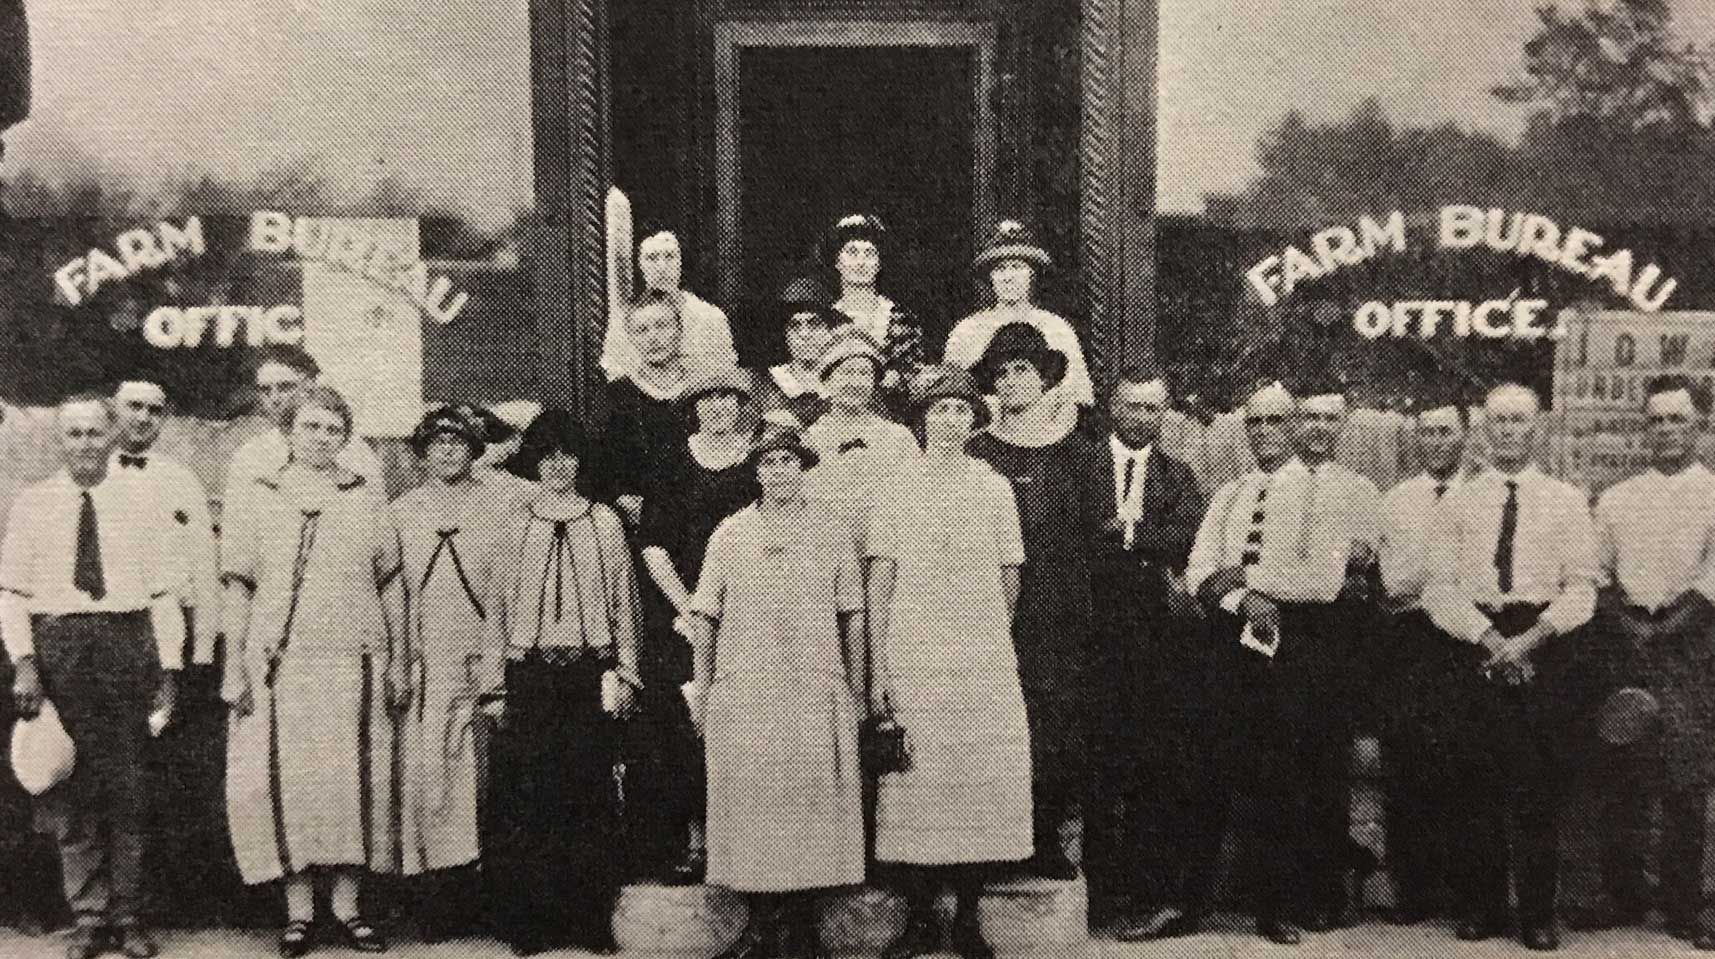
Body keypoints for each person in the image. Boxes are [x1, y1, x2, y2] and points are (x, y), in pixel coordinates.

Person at [219, 384, 407, 957]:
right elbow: (239, 585)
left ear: (346, 439)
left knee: (353, 783)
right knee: (286, 784)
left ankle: (348, 909)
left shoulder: (367, 496)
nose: (322, 438)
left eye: (333, 430)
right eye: (311, 427)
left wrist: (398, 657)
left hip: (355, 659)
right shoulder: (260, 494)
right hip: (280, 663)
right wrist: (235, 665)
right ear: (289, 432)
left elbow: (390, 583)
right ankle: (299, 913)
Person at [2, 394, 186, 959]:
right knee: (71, 791)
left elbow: (163, 594)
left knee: (128, 789)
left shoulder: (141, 502)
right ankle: (87, 917)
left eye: (93, 433)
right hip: (60, 649)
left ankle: (128, 916)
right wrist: (25, 663)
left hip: (125, 646)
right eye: (73, 434)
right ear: (60, 440)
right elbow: (11, 592)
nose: (84, 443)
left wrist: (170, 671)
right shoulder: (34, 504)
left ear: (112, 436)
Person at [1182, 381, 1365, 946]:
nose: (1265, 433)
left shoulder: (1323, 493)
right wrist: (1241, 597)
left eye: (1275, 422)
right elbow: (1198, 570)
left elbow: (1322, 580)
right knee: (1209, 763)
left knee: (1282, 774)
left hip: (1296, 649)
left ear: (1295, 426)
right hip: (1231, 640)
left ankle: (1276, 905)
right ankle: (1189, 902)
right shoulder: (1229, 493)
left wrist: (1246, 578)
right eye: (1255, 423)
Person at [1423, 382, 1597, 952]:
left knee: (1537, 787)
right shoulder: (1458, 502)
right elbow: (1439, 589)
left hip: (1544, 644)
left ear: (1538, 426)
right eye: (1497, 421)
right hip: (1476, 639)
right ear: (1483, 429)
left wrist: (1529, 641)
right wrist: (1491, 639)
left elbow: (1582, 591)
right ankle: (1484, 908)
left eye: (1518, 420)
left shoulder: (1566, 501)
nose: (1507, 431)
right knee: (1474, 780)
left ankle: (1538, 915)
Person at [866, 365, 1031, 959]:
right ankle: (917, 919)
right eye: (939, 411)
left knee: (973, 783)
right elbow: (879, 578)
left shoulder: (993, 486)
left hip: (979, 655)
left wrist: (986, 639)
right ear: (923, 419)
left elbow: (1010, 576)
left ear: (973, 420)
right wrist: (880, 666)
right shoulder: (895, 486)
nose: (951, 421)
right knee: (917, 783)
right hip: (913, 650)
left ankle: (966, 918)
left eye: (961, 411)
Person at [686, 416, 866, 959]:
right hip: (747, 690)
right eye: (769, 462)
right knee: (753, 801)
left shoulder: (830, 529)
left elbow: (852, 615)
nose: (780, 471)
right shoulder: (732, 532)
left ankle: (804, 928)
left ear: (805, 468)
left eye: (790, 461)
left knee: (810, 801)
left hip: (814, 687)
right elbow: (705, 616)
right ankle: (761, 926)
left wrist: (856, 689)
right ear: (757, 471)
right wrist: (706, 687)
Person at [487, 409, 641, 956]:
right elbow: (498, 607)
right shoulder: (516, 520)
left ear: (580, 461)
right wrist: (496, 684)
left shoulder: (603, 521)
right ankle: (532, 922)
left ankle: (587, 919)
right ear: (535, 461)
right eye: (547, 456)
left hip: (586, 670)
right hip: (530, 674)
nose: (557, 466)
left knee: (588, 792)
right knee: (531, 796)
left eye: (567, 455)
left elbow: (625, 601)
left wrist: (625, 670)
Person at [1577, 375, 1715, 949]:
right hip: (1626, 644)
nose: (1666, 430)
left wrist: (1667, 628)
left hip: (1692, 647)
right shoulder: (1616, 499)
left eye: (1677, 420)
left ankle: (1684, 904)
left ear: (1700, 426)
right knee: (1622, 774)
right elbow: (1596, 574)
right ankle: (1622, 894)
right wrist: (1630, 626)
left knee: (1685, 778)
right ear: (1645, 428)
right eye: (1656, 420)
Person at [966, 322, 1101, 881]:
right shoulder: (978, 450)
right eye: (1001, 373)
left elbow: (1094, 533)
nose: (1013, 381)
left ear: (1045, 378)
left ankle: (1044, 836)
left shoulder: (1078, 452)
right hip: (990, 601)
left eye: (1023, 369)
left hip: (1059, 603)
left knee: (1054, 721)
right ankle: (995, 841)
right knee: (993, 716)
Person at [1081, 375, 1209, 941]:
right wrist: (1128, 538)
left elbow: (1187, 536)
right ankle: (1103, 893)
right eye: (1133, 405)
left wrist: (1128, 531)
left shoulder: (1177, 475)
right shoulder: (1081, 468)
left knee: (1150, 764)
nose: (1143, 416)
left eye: (1154, 408)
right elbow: (1076, 535)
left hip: (1156, 646)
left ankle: (1148, 891)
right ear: (1113, 407)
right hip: (1090, 635)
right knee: (1099, 766)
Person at [631, 370, 760, 884]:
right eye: (708, 401)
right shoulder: (673, 462)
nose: (718, 409)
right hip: (688, 620)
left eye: (728, 400)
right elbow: (654, 545)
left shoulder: (761, 459)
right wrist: (689, 608)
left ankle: (751, 841)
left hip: (755, 616)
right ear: (695, 409)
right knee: (689, 730)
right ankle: (698, 841)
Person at [393, 406, 514, 940]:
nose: (447, 451)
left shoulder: (504, 503)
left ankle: (488, 897)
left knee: (487, 780)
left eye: (458, 443)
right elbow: (393, 595)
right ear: (422, 453)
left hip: (486, 657)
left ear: (473, 450)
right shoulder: (401, 512)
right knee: (433, 780)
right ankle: (437, 901)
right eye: (437, 443)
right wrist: (403, 657)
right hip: (427, 663)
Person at [1283, 380, 1385, 929]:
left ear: (1341, 427)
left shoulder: (1361, 490)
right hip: (1280, 634)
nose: (1318, 428)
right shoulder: (1270, 484)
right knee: (1283, 763)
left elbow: (1362, 567)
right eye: (1309, 418)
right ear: (1294, 423)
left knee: (1326, 766)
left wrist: (1348, 567)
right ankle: (1281, 892)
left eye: (1329, 419)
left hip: (1334, 641)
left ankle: (1325, 891)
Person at [1375, 399, 1478, 927]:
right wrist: (1438, 577)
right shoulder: (1396, 501)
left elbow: (1479, 581)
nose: (1436, 442)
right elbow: (1394, 586)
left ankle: (1465, 896)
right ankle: (1412, 891)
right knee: (1409, 761)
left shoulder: (1481, 495)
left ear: (1464, 437)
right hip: (1412, 642)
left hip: (1468, 640)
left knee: (1464, 763)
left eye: (1446, 432)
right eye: (1427, 433)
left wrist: (1436, 580)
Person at [943, 220, 1094, 427]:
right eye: (1000, 269)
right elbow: (949, 400)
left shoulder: (1056, 329)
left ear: (1032, 274)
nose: (1008, 277)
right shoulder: (967, 331)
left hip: (1046, 437)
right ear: (990, 277)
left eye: (1017, 267)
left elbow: (1078, 398)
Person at [110, 380, 218, 669]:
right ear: (112, 409)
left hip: (168, 629)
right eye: (134, 406)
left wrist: (204, 649)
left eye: (154, 410)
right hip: (104, 626)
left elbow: (204, 566)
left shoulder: (182, 480)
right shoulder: (89, 475)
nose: (144, 417)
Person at [223, 347, 384, 530]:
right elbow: (236, 533)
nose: (274, 398)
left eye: (285, 387)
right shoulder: (250, 455)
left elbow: (378, 528)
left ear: (312, 386)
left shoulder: (355, 451)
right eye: (265, 390)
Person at [600, 291, 713, 526]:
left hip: (700, 515)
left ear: (679, 330)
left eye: (662, 326)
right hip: (642, 521)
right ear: (631, 338)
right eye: (642, 330)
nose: (653, 337)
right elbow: (602, 464)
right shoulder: (618, 395)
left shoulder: (704, 389)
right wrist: (620, 498)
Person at [803, 328, 919, 553]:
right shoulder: (809, 441)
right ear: (827, 381)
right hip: (827, 557)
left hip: (886, 556)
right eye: (847, 372)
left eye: (864, 373)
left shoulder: (899, 438)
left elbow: (916, 504)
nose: (855, 382)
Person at [821, 214, 925, 414]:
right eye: (852, 252)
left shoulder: (902, 319)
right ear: (837, 262)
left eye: (869, 254)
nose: (861, 262)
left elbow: (916, 381)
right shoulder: (823, 321)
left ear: (879, 263)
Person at [601, 229, 738, 381]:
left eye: (670, 256)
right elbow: (616, 376)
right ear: (640, 265)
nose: (661, 267)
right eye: (652, 258)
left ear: (681, 262)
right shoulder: (622, 321)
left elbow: (725, 377)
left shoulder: (710, 318)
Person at [754, 277, 837, 428]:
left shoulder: (846, 384)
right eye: (795, 326)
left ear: (830, 330)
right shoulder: (766, 387)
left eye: (814, 324)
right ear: (785, 333)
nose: (804, 334)